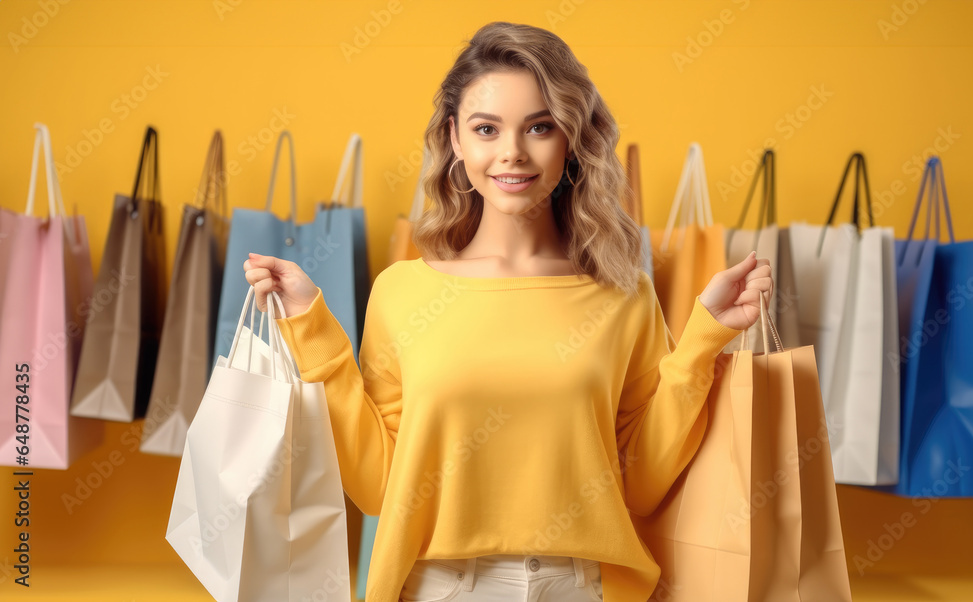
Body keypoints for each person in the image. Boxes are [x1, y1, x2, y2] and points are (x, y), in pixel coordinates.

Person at [244, 21, 771, 602]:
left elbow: (641, 485)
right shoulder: (402, 292)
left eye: (539, 127)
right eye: (486, 129)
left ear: (572, 139)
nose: (512, 154)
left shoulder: (624, 293)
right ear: (455, 138)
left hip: (581, 586)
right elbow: (379, 489)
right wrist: (313, 331)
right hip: (440, 588)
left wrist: (703, 337)